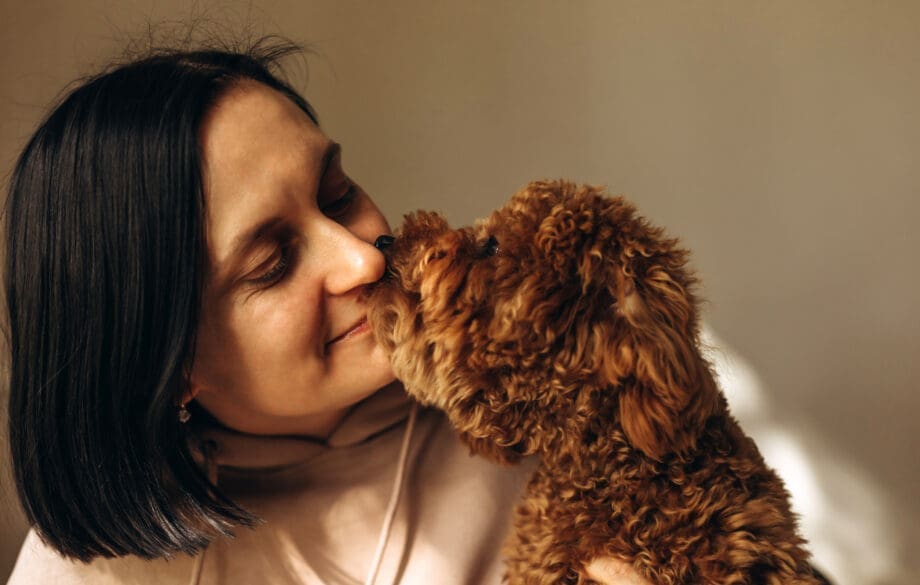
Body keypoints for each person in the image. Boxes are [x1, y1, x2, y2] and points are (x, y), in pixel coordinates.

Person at [3, 39, 650, 585]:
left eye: (336, 195)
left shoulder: (552, 385)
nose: (362, 260)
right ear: (167, 365)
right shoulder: (91, 574)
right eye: (272, 264)